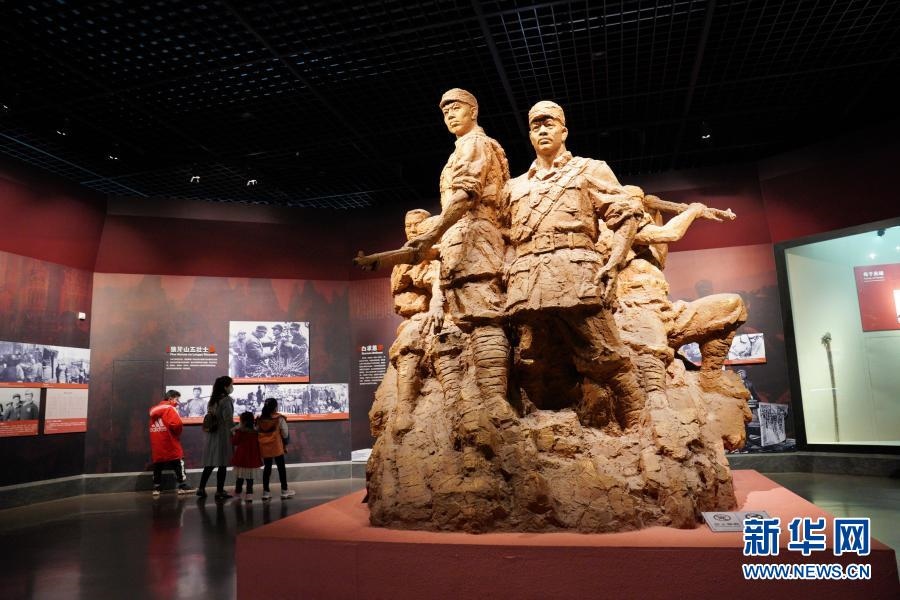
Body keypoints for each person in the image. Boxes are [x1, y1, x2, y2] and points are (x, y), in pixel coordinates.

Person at [504, 100, 646, 429]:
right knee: (531, 359)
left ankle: (638, 421)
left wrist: (614, 262)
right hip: (528, 281)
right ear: (529, 135)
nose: (542, 130)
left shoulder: (589, 169)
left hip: (575, 273)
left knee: (606, 353)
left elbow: (627, 215)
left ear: (564, 131)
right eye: (536, 125)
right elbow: (498, 233)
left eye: (549, 123)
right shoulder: (515, 186)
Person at [404, 88, 511, 452]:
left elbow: (466, 196)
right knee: (469, 320)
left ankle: (495, 400)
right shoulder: (461, 148)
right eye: (445, 109)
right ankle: (481, 397)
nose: (450, 114)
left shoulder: (474, 145)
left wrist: (433, 231)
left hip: (474, 238)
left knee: (484, 318)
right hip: (460, 241)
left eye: (456, 107)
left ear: (473, 110)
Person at [149, 390, 195, 496]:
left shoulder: (153, 411)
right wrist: (177, 434)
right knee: (178, 461)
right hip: (170, 441)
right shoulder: (170, 408)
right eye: (177, 399)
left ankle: (157, 488)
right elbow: (177, 424)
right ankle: (182, 486)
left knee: (158, 465)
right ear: (170, 399)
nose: (178, 402)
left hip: (157, 443)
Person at [197, 375, 235, 501]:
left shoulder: (212, 400)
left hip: (212, 434)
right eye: (231, 385)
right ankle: (219, 491)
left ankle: (201, 488)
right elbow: (228, 420)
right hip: (223, 435)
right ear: (225, 386)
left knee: (210, 463)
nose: (232, 387)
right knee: (222, 463)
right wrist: (235, 430)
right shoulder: (226, 400)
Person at [256, 398, 294, 500]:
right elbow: (285, 433)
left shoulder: (260, 419)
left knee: (267, 468)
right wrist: (285, 443)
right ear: (275, 407)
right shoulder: (279, 418)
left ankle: (266, 492)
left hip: (265, 447)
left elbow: (256, 431)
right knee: (281, 468)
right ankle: (284, 490)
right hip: (277, 446)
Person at [230, 411, 262, 503]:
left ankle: (238, 493)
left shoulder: (240, 432)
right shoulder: (255, 432)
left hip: (241, 458)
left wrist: (233, 432)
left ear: (242, 421)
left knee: (240, 477)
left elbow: (234, 442)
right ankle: (249, 494)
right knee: (250, 478)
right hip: (252, 458)